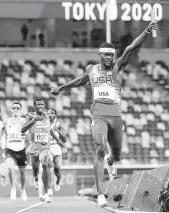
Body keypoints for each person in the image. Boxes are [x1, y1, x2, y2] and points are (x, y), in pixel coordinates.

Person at [51, 21, 158, 207]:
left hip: (116, 116)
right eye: (106, 55)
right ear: (100, 55)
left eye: (111, 55)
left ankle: (111, 161)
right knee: (99, 149)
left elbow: (131, 48)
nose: (109, 58)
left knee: (116, 156)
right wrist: (61, 88)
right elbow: (80, 81)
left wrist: (147, 31)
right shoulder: (91, 70)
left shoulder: (118, 66)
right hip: (98, 115)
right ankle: (101, 194)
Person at [21, 99, 65, 202]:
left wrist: (58, 141)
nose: (40, 105)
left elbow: (50, 130)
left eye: (42, 104)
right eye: (38, 104)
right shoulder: (30, 116)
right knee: (35, 171)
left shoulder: (47, 117)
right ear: (34, 106)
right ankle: (36, 180)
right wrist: (33, 121)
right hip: (34, 148)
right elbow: (22, 130)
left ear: (44, 106)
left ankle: (46, 193)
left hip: (45, 148)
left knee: (46, 165)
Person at [2, 102, 28, 201]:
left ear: (20, 110)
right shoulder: (6, 121)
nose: (16, 109)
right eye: (14, 108)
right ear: (11, 110)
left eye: (18, 108)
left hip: (21, 150)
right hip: (10, 149)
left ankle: (22, 189)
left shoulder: (24, 121)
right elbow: (4, 134)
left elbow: (29, 133)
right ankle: (13, 188)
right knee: (10, 167)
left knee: (22, 173)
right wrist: (3, 145)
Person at [47, 109, 66, 195]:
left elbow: (65, 139)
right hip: (48, 148)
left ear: (55, 115)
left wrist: (57, 130)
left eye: (52, 113)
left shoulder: (58, 124)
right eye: (48, 113)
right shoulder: (44, 124)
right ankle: (49, 188)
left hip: (57, 148)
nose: (50, 114)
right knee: (49, 168)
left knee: (57, 170)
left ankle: (57, 182)